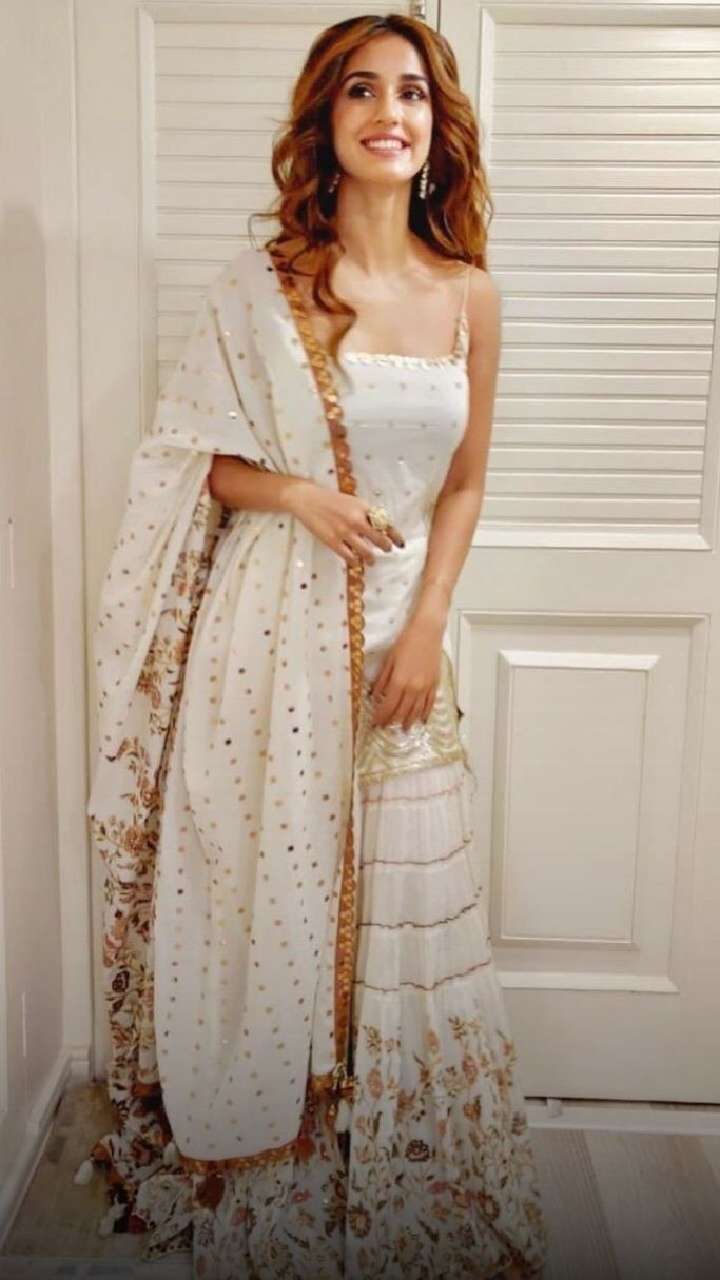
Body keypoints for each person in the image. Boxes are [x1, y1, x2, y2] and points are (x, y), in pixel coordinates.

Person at [74, 12, 548, 1279]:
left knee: (403, 879)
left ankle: (401, 1152)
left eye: (414, 93)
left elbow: (464, 482)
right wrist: (297, 494)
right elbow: (196, 463)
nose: (392, 113)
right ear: (326, 122)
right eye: (363, 92)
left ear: (440, 127)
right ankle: (281, 1145)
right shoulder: (265, 287)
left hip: (401, 634)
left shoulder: (469, 294)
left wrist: (430, 620)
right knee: (269, 882)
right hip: (270, 637)